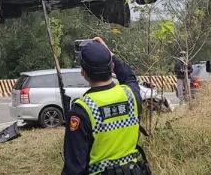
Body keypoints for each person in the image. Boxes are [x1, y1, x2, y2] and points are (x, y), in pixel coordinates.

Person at [62, 37, 148, 175]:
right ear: (112, 67)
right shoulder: (131, 95)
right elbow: (129, 76)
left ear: (83, 72)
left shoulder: (82, 110)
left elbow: (75, 168)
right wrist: (110, 54)